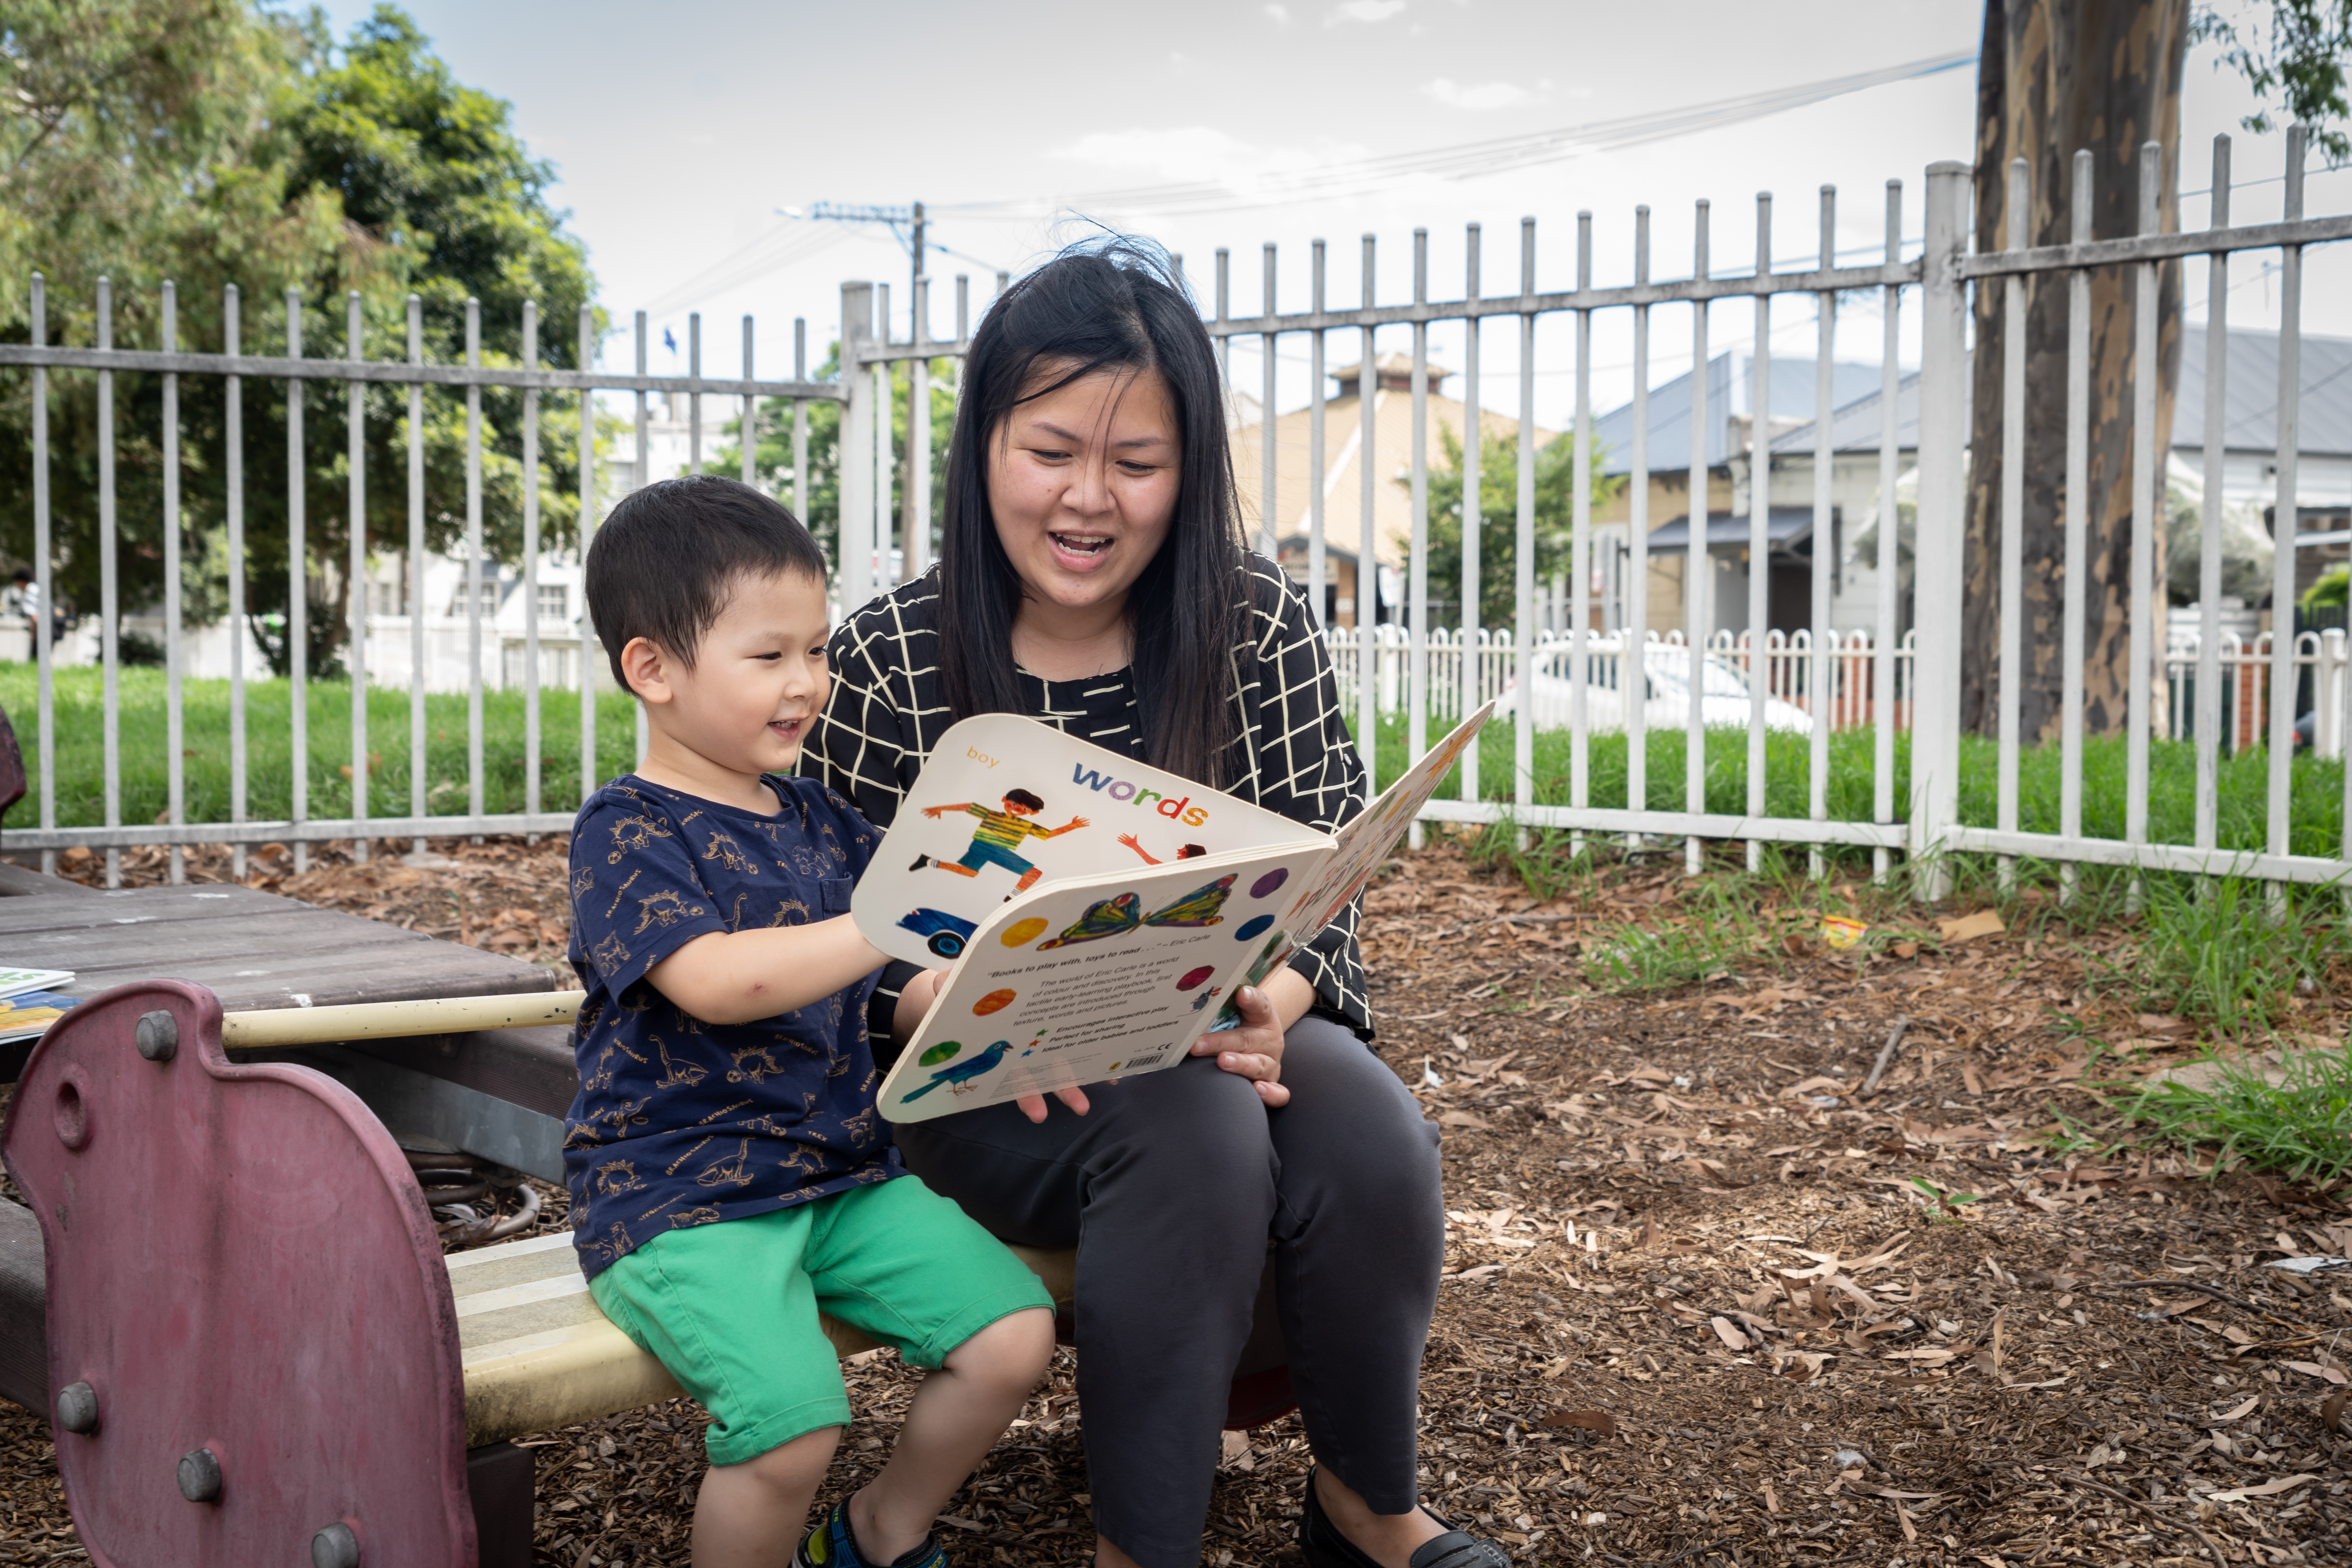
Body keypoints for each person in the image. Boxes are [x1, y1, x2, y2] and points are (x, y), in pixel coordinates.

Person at [801, 242, 1506, 1568]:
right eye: (1051, 449)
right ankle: (1144, 1546)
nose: (1089, 499)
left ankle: (1366, 1510)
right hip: (976, 1086)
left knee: (1368, 1132)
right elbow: (818, 930)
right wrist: (915, 992)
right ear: (983, 449)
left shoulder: (1252, 623)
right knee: (1194, 1132)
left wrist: (1271, 1001)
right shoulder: (890, 658)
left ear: (1189, 474)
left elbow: (1329, 878)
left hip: (1213, 1030)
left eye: (1136, 464)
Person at [564, 475, 1056, 1568]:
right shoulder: (626, 832)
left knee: (1013, 1333)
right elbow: (718, 982)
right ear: (652, 669)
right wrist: (889, 924)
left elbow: (905, 977)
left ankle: (879, 1534)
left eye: (819, 651)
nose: (808, 684)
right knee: (792, 1425)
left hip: (835, 1180)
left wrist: (988, 1007)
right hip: (678, 1198)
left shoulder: (818, 816)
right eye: (769, 656)